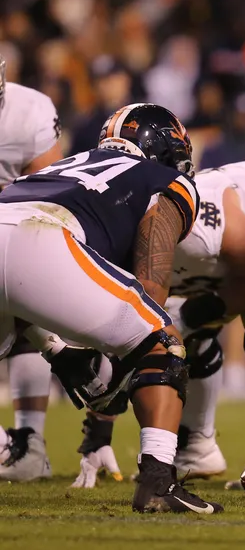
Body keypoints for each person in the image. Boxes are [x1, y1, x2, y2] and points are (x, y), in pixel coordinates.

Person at [69, 158, 245, 487]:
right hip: (220, 248)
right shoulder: (117, 238)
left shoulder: (196, 222)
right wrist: (99, 433)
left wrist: (189, 316)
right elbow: (125, 338)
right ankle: (198, 446)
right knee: (174, 334)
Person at [0, 103, 222, 514]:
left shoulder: (63, 164)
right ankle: (158, 481)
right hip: (44, 237)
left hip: (12, 219)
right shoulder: (167, 179)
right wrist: (132, 359)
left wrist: (57, 349)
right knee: (162, 342)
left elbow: (10, 269)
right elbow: (150, 283)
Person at [0, 55, 66, 482]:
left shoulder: (29, 112)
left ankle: (30, 444)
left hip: (12, 225)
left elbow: (48, 195)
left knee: (31, 309)